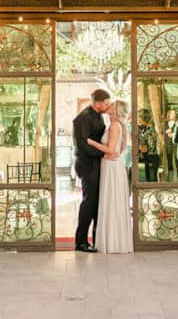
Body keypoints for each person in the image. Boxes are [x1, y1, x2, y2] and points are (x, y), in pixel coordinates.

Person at [86, 100, 133, 254]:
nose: (108, 107)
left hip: (112, 167)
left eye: (111, 105)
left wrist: (90, 142)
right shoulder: (113, 125)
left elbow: (111, 150)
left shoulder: (114, 126)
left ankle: (112, 242)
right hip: (111, 165)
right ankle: (114, 241)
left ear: (115, 110)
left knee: (111, 201)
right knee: (112, 201)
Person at [73, 89, 116, 252]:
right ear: (97, 103)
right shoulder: (82, 118)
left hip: (97, 163)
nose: (107, 105)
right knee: (89, 202)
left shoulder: (99, 116)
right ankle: (81, 241)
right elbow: (82, 145)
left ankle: (97, 238)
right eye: (105, 103)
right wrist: (105, 153)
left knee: (97, 202)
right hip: (87, 164)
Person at [138, 109, 159, 182]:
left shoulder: (149, 131)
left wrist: (137, 146)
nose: (138, 119)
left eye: (139, 117)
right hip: (150, 158)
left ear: (143, 118)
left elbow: (146, 148)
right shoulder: (146, 129)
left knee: (151, 184)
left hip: (151, 159)